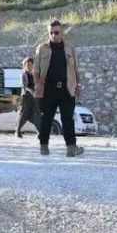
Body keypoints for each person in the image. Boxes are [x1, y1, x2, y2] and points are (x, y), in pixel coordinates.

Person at [33, 20, 84, 157]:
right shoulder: (42, 48)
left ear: (62, 33)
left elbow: (76, 69)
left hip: (67, 89)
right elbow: (36, 70)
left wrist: (78, 85)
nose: (53, 35)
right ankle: (44, 146)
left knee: (68, 119)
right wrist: (38, 86)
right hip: (48, 89)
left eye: (56, 32)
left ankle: (71, 147)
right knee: (46, 118)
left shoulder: (70, 48)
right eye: (51, 33)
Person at [16, 57, 41, 139]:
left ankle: (40, 132)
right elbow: (24, 86)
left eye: (30, 65)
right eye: (26, 65)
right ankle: (18, 130)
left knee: (36, 114)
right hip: (26, 97)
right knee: (24, 114)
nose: (28, 66)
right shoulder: (24, 75)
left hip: (34, 98)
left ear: (33, 65)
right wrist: (31, 91)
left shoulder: (35, 75)